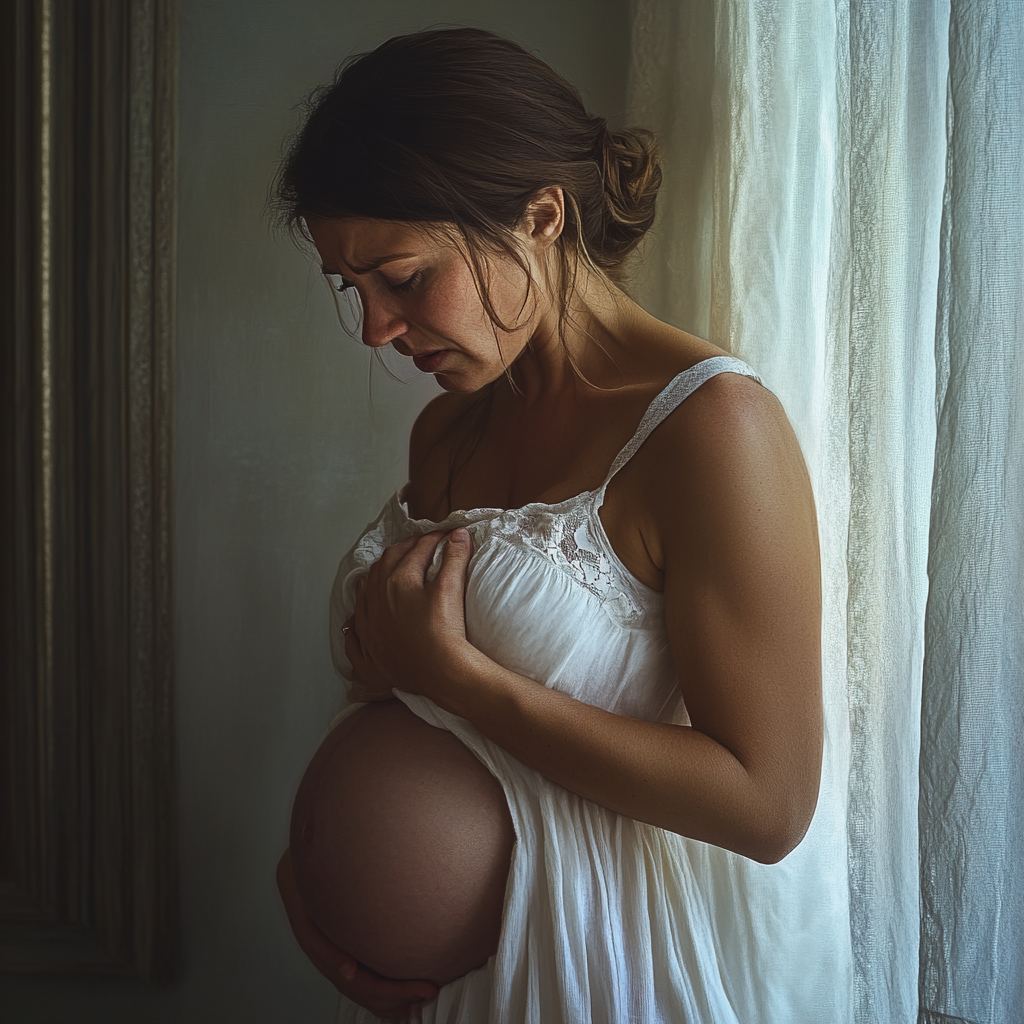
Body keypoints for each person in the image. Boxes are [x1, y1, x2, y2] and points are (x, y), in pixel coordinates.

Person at [274, 27, 846, 1024]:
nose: (373, 330)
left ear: (540, 215)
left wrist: (463, 680)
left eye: (401, 278)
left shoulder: (711, 429)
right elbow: (392, 707)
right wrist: (314, 891)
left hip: (578, 973)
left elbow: (768, 804)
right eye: (349, 287)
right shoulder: (447, 426)